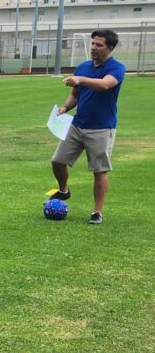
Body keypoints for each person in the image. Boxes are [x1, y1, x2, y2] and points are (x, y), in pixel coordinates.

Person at [50, 29, 126, 224]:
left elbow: (105, 85)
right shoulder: (83, 67)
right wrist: (65, 107)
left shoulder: (116, 68)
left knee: (99, 171)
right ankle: (64, 190)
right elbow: (76, 94)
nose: (93, 48)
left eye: (99, 45)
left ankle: (97, 212)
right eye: (93, 44)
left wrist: (81, 79)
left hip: (101, 127)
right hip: (77, 124)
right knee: (57, 161)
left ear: (110, 47)